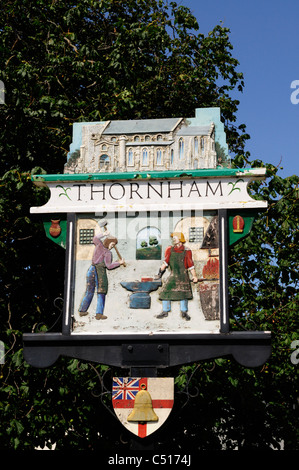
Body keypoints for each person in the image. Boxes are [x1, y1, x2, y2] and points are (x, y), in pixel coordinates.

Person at [78, 233, 125, 320]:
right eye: (112, 244)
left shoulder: (98, 245)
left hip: (91, 269)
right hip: (99, 272)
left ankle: (82, 310)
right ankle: (99, 314)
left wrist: (103, 234)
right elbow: (109, 266)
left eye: (114, 245)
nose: (112, 246)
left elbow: (95, 238)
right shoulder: (108, 253)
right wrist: (119, 263)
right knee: (101, 292)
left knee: (89, 290)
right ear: (108, 242)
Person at [156, 232, 198, 321]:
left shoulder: (187, 251)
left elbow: (190, 265)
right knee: (165, 292)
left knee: (184, 294)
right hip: (173, 274)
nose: (173, 239)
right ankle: (165, 311)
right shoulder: (169, 249)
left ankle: (184, 312)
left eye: (175, 237)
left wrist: (194, 276)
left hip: (183, 275)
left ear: (180, 239)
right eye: (173, 238)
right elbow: (165, 263)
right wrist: (159, 273)